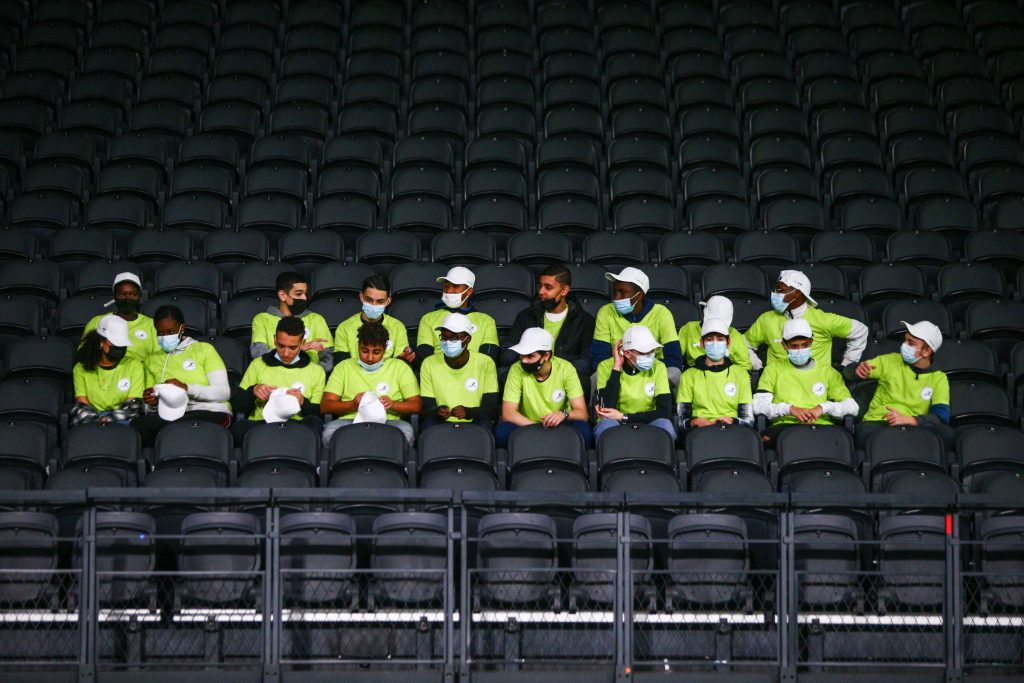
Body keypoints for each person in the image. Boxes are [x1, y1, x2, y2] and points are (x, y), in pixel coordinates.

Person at [131, 305, 232, 446]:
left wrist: (186, 388)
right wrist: (152, 404)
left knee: (177, 428)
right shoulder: (152, 359)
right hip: (172, 414)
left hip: (208, 411)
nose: (165, 337)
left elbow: (224, 393)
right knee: (138, 425)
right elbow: (150, 407)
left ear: (182, 328)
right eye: (160, 333)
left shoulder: (204, 349)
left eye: (170, 332)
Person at [845, 320, 953, 449]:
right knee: (864, 435)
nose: (904, 345)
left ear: (926, 351)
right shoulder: (890, 360)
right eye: (905, 340)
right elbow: (848, 373)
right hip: (879, 422)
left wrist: (912, 420)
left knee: (947, 434)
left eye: (911, 343)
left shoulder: (939, 378)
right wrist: (856, 369)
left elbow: (941, 416)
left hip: (915, 426)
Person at [753, 318, 858, 442]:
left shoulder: (828, 372)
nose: (799, 350)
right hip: (785, 426)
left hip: (821, 426)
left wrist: (823, 408)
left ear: (811, 343)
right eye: (794, 346)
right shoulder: (772, 369)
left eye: (804, 345)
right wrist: (789, 409)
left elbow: (852, 407)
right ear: (784, 345)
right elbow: (758, 405)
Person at [320, 322, 421, 447]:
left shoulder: (400, 367)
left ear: (385, 349)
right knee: (329, 431)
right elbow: (325, 405)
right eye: (365, 351)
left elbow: (416, 405)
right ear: (358, 346)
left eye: (376, 352)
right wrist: (352, 404)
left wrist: (393, 404)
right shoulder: (343, 367)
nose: (370, 357)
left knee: (406, 431)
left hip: (387, 422)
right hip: (350, 422)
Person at [745, 269, 868, 369]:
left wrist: (846, 365)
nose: (774, 293)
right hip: (777, 387)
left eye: (780, 290)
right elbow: (744, 344)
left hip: (817, 387)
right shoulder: (766, 319)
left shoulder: (822, 320)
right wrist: (758, 368)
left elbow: (861, 331)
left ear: (797, 293)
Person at [496, 327, 591, 448]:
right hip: (526, 424)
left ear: (546, 355)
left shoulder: (566, 369)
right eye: (522, 355)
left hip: (560, 424)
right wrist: (538, 428)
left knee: (584, 432)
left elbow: (583, 414)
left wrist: (563, 414)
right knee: (502, 433)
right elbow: (508, 413)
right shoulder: (516, 369)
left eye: (530, 356)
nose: (524, 360)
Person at [590, 266, 683, 388]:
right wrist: (625, 368)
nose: (616, 297)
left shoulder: (661, 313)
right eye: (615, 292)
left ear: (639, 296)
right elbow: (599, 358)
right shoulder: (606, 312)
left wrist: (642, 368)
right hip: (617, 368)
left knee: (674, 374)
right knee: (596, 377)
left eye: (623, 292)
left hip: (653, 369)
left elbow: (673, 358)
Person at [502, 263, 595, 384]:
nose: (541, 291)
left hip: (564, 378)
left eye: (548, 287)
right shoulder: (526, 316)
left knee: (583, 382)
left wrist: (554, 370)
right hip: (529, 373)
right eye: (540, 286)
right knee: (503, 374)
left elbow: (587, 361)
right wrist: (529, 359)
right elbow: (506, 354)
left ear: (564, 290)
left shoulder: (584, 320)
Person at [237, 316, 326, 439]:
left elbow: (318, 414)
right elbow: (236, 405)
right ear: (274, 340)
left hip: (297, 427)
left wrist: (303, 402)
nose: (286, 353)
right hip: (262, 425)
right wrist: (252, 391)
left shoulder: (316, 371)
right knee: (239, 428)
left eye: (292, 347)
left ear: (303, 344)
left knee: (315, 424)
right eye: (281, 346)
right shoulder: (258, 364)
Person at [593, 325, 675, 442]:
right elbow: (606, 410)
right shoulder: (605, 366)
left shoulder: (659, 367)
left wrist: (624, 416)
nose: (649, 356)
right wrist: (616, 367)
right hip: (616, 422)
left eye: (651, 351)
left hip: (648, 422)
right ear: (626, 353)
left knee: (665, 425)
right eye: (643, 352)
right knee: (606, 426)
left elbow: (664, 412)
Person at [419, 312, 499, 430]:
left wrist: (469, 412)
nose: (448, 341)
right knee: (428, 426)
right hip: (441, 421)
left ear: (468, 339)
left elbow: (492, 408)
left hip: (474, 419)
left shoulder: (485, 362)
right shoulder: (429, 363)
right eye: (444, 337)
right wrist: (438, 411)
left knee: (484, 425)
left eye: (455, 337)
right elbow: (426, 408)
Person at [676, 318, 754, 432]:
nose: (715, 343)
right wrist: (693, 422)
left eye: (720, 339)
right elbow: (681, 421)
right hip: (699, 431)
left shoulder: (741, 375)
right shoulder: (688, 376)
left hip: (732, 430)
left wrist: (733, 421)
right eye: (709, 339)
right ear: (702, 343)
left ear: (728, 343)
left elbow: (748, 420)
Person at [250, 271, 334, 375]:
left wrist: (311, 374)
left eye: (305, 293)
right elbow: (259, 354)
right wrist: (300, 348)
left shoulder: (316, 319)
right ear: (282, 295)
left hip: (309, 379)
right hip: (273, 378)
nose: (304, 298)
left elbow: (328, 357)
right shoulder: (262, 319)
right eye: (299, 294)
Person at [71, 314, 145, 426]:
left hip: (122, 419)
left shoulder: (134, 365)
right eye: (115, 343)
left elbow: (133, 406)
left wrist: (107, 419)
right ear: (101, 342)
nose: (120, 348)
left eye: (123, 345)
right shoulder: (80, 368)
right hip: (91, 419)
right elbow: (82, 404)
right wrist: (99, 421)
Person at [415, 266, 499, 363]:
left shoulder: (487, 321)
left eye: (455, 286)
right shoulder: (428, 319)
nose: (449, 290)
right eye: (446, 286)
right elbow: (425, 358)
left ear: (469, 291)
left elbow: (488, 360)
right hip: (438, 373)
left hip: (475, 375)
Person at [333, 274, 415, 365]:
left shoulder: (397, 327)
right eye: (369, 300)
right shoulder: (344, 328)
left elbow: (399, 365)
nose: (373, 305)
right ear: (361, 297)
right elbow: (341, 367)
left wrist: (404, 360)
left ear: (388, 302)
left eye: (380, 301)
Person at [81, 271, 157, 363]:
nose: (127, 299)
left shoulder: (152, 325)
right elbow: (85, 354)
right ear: (114, 297)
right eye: (122, 294)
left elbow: (158, 360)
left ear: (140, 297)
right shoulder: (97, 321)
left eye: (133, 294)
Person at [678, 295, 756, 370]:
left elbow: (744, 366)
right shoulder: (689, 329)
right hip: (695, 377)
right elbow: (676, 355)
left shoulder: (734, 335)